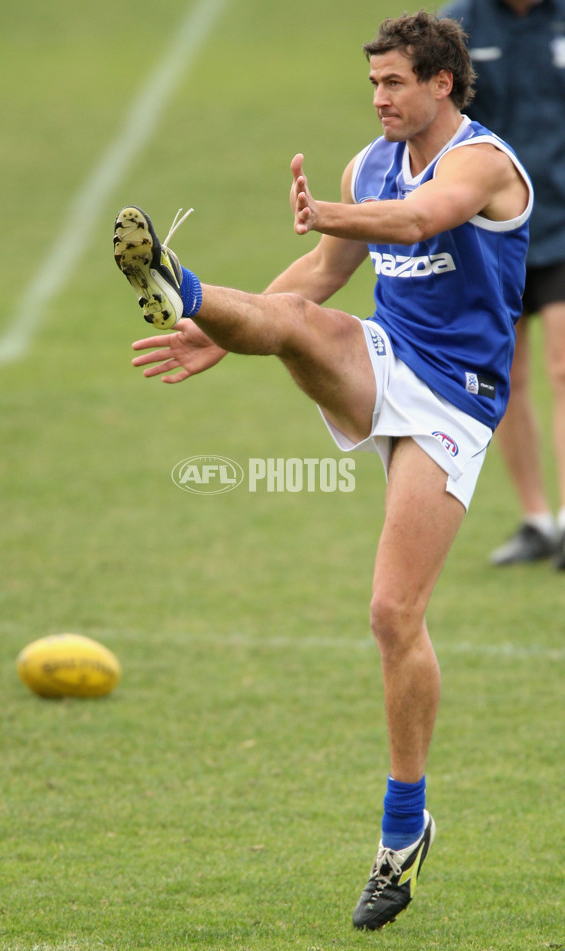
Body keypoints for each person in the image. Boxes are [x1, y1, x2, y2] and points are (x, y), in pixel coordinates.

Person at [113, 11, 532, 931]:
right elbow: (319, 269)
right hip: (383, 353)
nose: (380, 98)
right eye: (372, 83)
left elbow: (425, 217)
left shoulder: (485, 162)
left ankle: (403, 827)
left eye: (394, 83)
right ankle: (184, 289)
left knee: (393, 614)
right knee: (299, 323)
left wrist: (333, 213)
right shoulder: (364, 164)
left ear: (442, 85)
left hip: (458, 399)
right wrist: (218, 334)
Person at [439, 0, 565, 568]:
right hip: (492, 231)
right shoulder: (460, 23)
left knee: (564, 368)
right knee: (506, 375)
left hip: (564, 224)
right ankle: (538, 521)